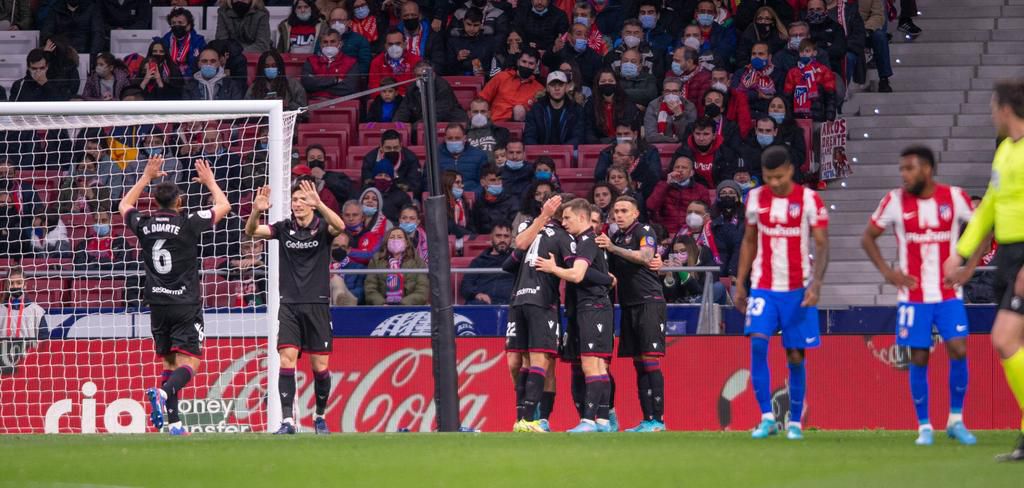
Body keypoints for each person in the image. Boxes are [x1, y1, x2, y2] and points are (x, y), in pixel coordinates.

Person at [861, 145, 978, 446]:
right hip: (913, 296)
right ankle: (924, 426)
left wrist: (968, 269)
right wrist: (889, 273)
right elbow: (868, 237)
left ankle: (956, 420)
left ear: (927, 169)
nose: (903, 174)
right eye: (901, 169)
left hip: (948, 293)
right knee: (919, 356)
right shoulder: (894, 201)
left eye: (909, 168)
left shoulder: (954, 197)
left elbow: (982, 228)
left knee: (959, 350)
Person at [121, 156, 231, 436]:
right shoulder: (188, 223)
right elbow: (224, 206)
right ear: (179, 202)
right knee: (191, 362)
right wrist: (210, 182)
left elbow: (124, 206)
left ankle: (175, 424)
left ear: (155, 202)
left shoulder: (144, 225)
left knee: (169, 362)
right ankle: (162, 392)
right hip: (185, 303)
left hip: (156, 303)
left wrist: (146, 177)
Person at [944, 81, 1024, 461]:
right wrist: (961, 257)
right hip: (1007, 255)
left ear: (1007, 109)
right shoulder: (1005, 151)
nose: (991, 113)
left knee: (1004, 338)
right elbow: (989, 207)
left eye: (994, 106)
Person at [734, 146, 829, 441]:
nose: (773, 183)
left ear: (789, 170)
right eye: (767, 177)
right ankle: (766, 418)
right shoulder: (755, 198)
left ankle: (795, 423)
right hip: (764, 286)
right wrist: (740, 283)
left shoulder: (810, 199)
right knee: (758, 345)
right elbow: (749, 241)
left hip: (798, 288)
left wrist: (817, 284)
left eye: (778, 176)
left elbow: (823, 245)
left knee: (796, 355)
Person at [245, 178, 344, 435]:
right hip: (289, 305)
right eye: (295, 200)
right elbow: (251, 232)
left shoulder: (322, 228)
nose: (298, 204)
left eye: (302, 199)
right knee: (286, 360)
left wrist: (320, 204)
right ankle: (287, 421)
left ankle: (319, 416)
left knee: (319, 367)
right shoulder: (283, 228)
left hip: (317, 305)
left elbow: (340, 226)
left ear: (311, 203)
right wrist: (257, 210)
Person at [531, 198, 615, 432]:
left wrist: (553, 269)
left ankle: (588, 421)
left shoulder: (587, 240)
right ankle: (603, 421)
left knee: (591, 365)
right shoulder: (587, 241)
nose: (564, 222)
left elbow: (577, 275)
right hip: (594, 307)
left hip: (593, 307)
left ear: (581, 217)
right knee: (598, 366)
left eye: (567, 218)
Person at [597, 195, 667, 431]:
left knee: (649, 360)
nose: (619, 215)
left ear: (636, 213)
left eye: (624, 210)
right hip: (628, 304)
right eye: (616, 211)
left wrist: (614, 248)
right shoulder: (616, 236)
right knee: (639, 362)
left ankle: (657, 420)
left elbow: (646, 256)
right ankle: (647, 419)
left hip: (648, 301)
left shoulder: (643, 230)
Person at [505, 195, 571, 433]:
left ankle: (538, 418)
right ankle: (524, 416)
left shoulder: (566, 236)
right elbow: (518, 247)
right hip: (519, 300)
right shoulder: (532, 227)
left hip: (545, 302)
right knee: (518, 361)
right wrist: (542, 217)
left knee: (544, 361)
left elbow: (578, 267)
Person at [647, 155, 710, 236]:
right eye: (677, 167)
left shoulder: (701, 190)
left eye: (684, 168)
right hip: (665, 232)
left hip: (691, 232)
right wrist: (666, 184)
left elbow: (706, 214)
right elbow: (651, 206)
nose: (680, 170)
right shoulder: (662, 185)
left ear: (691, 173)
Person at [364, 227, 428, 305]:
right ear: (386, 242)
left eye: (399, 237)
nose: (395, 240)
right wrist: (381, 303)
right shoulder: (376, 260)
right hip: (383, 307)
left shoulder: (417, 260)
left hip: (409, 307)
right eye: (392, 237)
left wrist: (404, 304)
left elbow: (422, 289)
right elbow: (370, 288)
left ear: (407, 243)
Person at [480, 48, 544, 122]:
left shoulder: (539, 89)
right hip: (494, 125)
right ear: (518, 62)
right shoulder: (501, 77)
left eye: (531, 63)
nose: (526, 66)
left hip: (520, 129)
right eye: (524, 61)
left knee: (519, 110)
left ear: (536, 65)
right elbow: (482, 99)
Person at [523, 71, 584, 147]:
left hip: (567, 153)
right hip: (541, 155)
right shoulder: (536, 109)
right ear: (547, 88)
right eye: (553, 85)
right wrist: (539, 152)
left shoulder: (576, 109)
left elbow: (578, 136)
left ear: (566, 87)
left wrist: (562, 151)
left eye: (560, 85)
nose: (557, 88)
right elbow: (529, 136)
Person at [394, 61, 468, 123]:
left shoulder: (442, 86)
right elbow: (403, 111)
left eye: (424, 75)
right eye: (418, 76)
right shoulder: (412, 88)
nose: (421, 78)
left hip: (449, 122)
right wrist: (397, 125)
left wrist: (415, 127)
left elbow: (438, 113)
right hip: (423, 123)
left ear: (433, 74)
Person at [783, 39, 837, 122]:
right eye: (801, 51)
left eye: (807, 51)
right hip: (797, 118)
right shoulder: (792, 72)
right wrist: (789, 118)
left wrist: (830, 117)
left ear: (814, 53)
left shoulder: (823, 71)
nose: (804, 54)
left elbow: (830, 97)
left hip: (818, 117)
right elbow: (787, 99)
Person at [461, 223, 515, 305]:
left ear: (511, 239)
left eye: (506, 236)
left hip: (511, 304)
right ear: (491, 237)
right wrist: (477, 294)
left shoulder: (517, 259)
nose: (502, 240)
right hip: (484, 304)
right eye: (498, 236)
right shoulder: (479, 261)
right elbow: (466, 286)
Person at [583, 68, 639, 144]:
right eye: (603, 81)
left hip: (622, 144)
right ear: (597, 84)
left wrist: (613, 142)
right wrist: (598, 144)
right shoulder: (590, 104)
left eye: (610, 81)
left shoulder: (627, 103)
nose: (607, 83)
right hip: (598, 145)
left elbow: (627, 128)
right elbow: (588, 131)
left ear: (616, 83)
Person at [301, 29, 360, 100]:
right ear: (320, 45)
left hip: (341, 104)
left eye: (333, 42)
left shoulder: (351, 62)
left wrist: (319, 87)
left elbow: (350, 87)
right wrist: (335, 80)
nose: (329, 45)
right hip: (315, 103)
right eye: (325, 42)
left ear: (340, 44)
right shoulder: (311, 61)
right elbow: (307, 84)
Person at [544, 23, 603, 92]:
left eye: (586, 35)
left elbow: (597, 82)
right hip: (559, 90)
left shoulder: (594, 56)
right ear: (569, 37)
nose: (583, 37)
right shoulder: (560, 50)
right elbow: (545, 61)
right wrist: (554, 50)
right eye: (578, 34)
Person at [733, 41, 784, 120]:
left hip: (769, 117)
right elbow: (735, 95)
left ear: (769, 57)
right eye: (754, 54)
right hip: (744, 115)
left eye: (761, 54)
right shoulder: (741, 73)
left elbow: (779, 98)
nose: (756, 57)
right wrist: (757, 95)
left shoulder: (778, 74)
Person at [360, 130, 422, 195]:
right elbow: (367, 184)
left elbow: (415, 187)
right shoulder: (370, 159)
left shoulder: (411, 159)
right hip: (377, 195)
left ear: (401, 146)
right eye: (388, 148)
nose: (392, 151)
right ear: (381, 146)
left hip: (403, 195)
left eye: (395, 148)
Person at [0, 266, 48, 344]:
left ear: (25, 285)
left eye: (19, 283)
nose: (15, 286)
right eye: (11, 283)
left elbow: (44, 340)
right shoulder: (1, 310)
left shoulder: (37, 311)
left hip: (29, 355)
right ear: (7, 285)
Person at [438, 123, 489, 194]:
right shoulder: (435, 157)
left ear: (464, 138)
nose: (453, 141)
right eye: (450, 138)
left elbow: (484, 182)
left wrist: (473, 196)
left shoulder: (479, 156)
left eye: (457, 138)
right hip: (444, 199)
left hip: (473, 199)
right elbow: (428, 184)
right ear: (445, 139)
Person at [644, 77, 696, 144]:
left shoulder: (689, 106)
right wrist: (673, 140)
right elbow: (650, 136)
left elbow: (688, 135)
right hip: (658, 146)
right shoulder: (653, 105)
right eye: (667, 91)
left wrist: (679, 116)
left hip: (683, 147)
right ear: (663, 93)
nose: (671, 94)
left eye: (675, 91)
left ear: (680, 93)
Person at [368, 29, 421, 94]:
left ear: (404, 44)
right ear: (385, 46)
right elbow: (374, 89)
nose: (394, 47)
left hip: (408, 100)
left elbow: (418, 87)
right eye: (390, 44)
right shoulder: (376, 62)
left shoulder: (416, 61)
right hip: (385, 100)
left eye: (398, 43)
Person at [444, 7, 493, 77]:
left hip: (483, 82)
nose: (472, 28)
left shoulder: (488, 41)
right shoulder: (453, 41)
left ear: (481, 24)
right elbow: (446, 70)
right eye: (469, 24)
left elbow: (495, 69)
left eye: (476, 25)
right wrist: (457, 58)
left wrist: (484, 72)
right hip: (459, 82)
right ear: (463, 21)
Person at [320, 6, 371, 74]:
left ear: (349, 22)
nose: (336, 23)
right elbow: (316, 60)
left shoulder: (360, 40)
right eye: (333, 21)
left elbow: (364, 65)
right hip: (326, 77)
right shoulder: (323, 39)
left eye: (340, 20)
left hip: (350, 79)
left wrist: (346, 77)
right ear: (329, 23)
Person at [471, 165, 518, 235]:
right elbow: (474, 227)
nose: (497, 183)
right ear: (482, 182)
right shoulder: (478, 203)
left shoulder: (513, 202)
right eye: (492, 180)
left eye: (499, 179)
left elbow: (515, 228)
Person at [804, 0, 846, 76]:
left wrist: (815, 51)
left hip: (831, 68)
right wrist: (825, 45)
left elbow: (839, 51)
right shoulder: (802, 28)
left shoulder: (836, 27)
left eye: (818, 9)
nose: (815, 12)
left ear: (826, 11)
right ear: (807, 11)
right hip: (805, 68)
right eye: (811, 10)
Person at [396, 0, 444, 67]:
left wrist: (425, 71)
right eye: (406, 15)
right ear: (401, 17)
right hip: (401, 74)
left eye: (413, 15)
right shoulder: (393, 35)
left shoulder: (433, 36)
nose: (410, 18)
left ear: (420, 16)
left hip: (424, 75)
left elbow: (438, 63)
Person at [162, 8, 206, 77]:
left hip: (192, 80)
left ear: (188, 26)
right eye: (173, 23)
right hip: (170, 79)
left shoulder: (199, 41)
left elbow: (202, 64)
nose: (176, 25)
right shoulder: (165, 40)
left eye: (180, 22)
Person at [860, 0, 893, 93]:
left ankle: (884, 79)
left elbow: (878, 15)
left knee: (880, 36)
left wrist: (867, 29)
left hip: (866, 28)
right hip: (845, 30)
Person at [466, 99, 511, 164]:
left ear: (489, 114)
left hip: (494, 171)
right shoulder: (462, 134)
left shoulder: (502, 132)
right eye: (475, 112)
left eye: (483, 111)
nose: (479, 115)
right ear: (469, 114)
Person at [369, 160, 412, 224]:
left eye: (386, 176)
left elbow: (407, 218)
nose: (383, 178)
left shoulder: (402, 197)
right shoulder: (366, 194)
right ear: (374, 177)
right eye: (380, 175)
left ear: (391, 180)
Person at [329, 231, 364, 305]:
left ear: (348, 250)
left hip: (348, 304)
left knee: (336, 279)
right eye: (335, 245)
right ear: (329, 246)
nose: (339, 249)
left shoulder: (358, 268)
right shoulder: (320, 265)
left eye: (343, 247)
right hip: (323, 302)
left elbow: (360, 292)